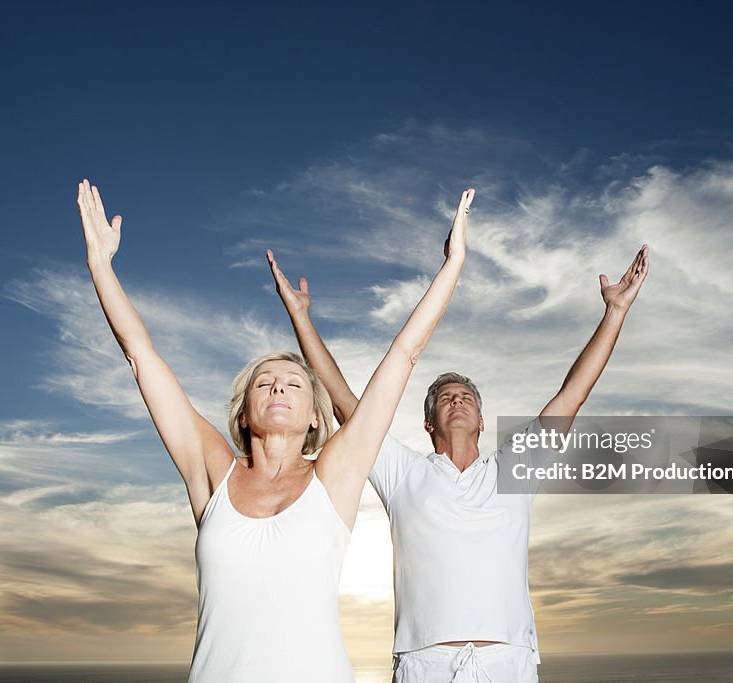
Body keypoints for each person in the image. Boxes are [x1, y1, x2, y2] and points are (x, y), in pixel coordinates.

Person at [76, 179, 475, 682]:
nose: (279, 389)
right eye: (264, 384)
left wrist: (454, 264)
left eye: (293, 384)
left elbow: (404, 354)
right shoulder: (212, 471)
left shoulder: (336, 474)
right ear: (244, 412)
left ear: (316, 414)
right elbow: (142, 357)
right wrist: (100, 267)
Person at [272, 236, 649, 682]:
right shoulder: (402, 471)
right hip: (423, 663)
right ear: (429, 422)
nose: (457, 401)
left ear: (483, 422)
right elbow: (343, 402)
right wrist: (300, 315)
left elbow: (572, 395)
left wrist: (615, 314)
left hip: (507, 661)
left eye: (466, 396)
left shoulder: (514, 469)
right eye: (446, 398)